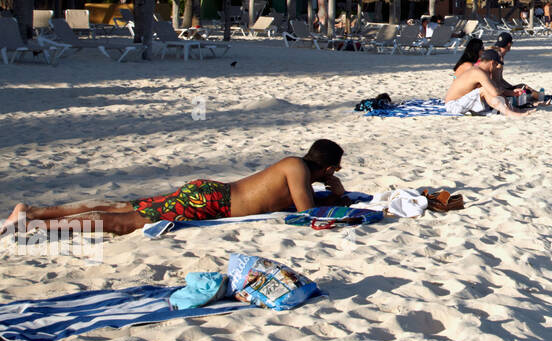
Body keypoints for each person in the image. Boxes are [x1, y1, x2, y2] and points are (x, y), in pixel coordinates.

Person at [3, 140, 348, 237]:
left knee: (124, 207)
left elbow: (298, 202)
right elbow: (307, 215)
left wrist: (331, 193)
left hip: (210, 194)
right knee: (125, 221)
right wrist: (338, 194)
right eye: (335, 169)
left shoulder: (296, 168)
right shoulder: (297, 168)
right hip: (212, 202)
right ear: (328, 166)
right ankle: (35, 223)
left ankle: (31, 211)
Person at [446, 50, 531, 117]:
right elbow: (495, 92)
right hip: (453, 106)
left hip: (461, 103)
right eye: (496, 64)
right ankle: (509, 112)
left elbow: (495, 90)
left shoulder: (480, 71)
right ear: (492, 63)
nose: (496, 67)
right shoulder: (478, 72)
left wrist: (512, 93)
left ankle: (511, 111)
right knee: (485, 90)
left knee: (488, 90)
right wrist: (509, 92)